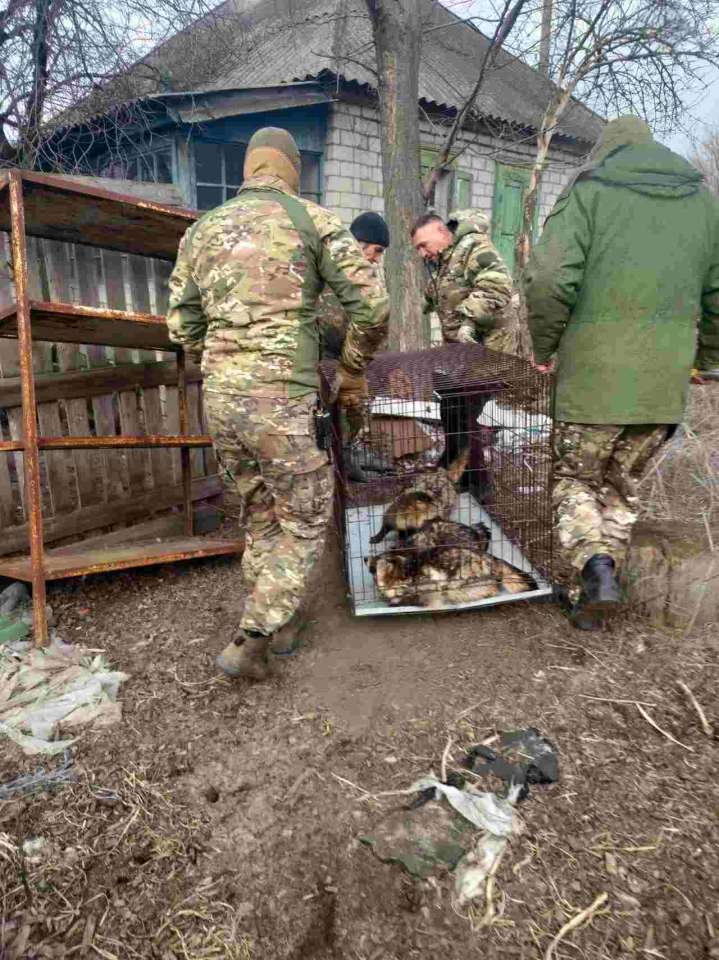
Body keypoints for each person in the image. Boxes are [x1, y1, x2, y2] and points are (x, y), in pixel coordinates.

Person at [166, 127, 389, 678]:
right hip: (284, 401)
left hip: (222, 401)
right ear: (291, 167)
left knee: (261, 512)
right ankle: (255, 634)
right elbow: (374, 308)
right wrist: (355, 372)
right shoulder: (311, 220)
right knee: (307, 517)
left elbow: (181, 325)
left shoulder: (201, 231)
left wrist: (222, 361)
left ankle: (282, 622)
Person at [522, 116, 719, 630]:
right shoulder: (702, 200)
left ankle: (595, 566)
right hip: (662, 386)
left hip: (594, 381)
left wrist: (544, 344)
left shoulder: (590, 190)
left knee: (573, 481)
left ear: (604, 150)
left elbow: (547, 277)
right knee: (621, 487)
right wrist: (708, 360)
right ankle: (594, 602)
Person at [411, 209, 513, 346]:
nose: (422, 254)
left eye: (423, 245)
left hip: (489, 348)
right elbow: (446, 284)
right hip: (460, 350)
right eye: (418, 249)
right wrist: (424, 302)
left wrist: (469, 324)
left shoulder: (473, 245)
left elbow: (495, 286)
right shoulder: (443, 257)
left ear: (441, 232)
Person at [321, 211, 389, 361]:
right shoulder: (325, 265)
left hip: (345, 360)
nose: (378, 260)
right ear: (359, 243)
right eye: (378, 250)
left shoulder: (365, 280)